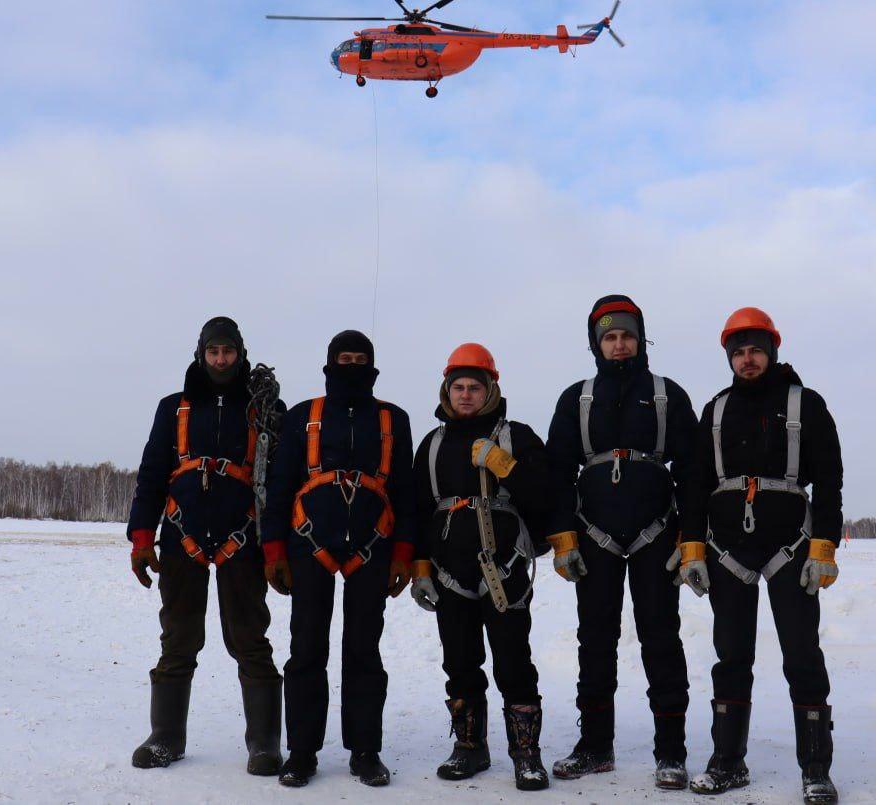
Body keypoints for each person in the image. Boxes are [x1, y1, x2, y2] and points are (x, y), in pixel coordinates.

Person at [678, 307, 843, 804]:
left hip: (791, 547)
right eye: (739, 352)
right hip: (727, 549)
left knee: (802, 654)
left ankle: (816, 768)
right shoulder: (716, 410)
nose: (747, 360)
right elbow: (693, 483)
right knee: (731, 655)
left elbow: (830, 478)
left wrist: (825, 545)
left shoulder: (805, 404)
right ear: (729, 357)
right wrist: (691, 547)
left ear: (772, 351)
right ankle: (728, 761)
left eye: (755, 351)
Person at [545, 295, 698, 789]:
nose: (618, 344)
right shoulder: (577, 398)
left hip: (656, 534)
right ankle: (595, 746)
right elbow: (555, 473)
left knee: (661, 639)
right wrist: (563, 535)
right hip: (594, 536)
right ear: (596, 343)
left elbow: (695, 473)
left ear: (640, 339)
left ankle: (670, 752)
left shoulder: (666, 394)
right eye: (608, 337)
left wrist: (691, 540)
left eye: (626, 335)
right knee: (595, 640)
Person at [126, 316, 285, 775]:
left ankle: (263, 743)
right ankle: (166, 738)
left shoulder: (264, 411)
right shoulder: (173, 408)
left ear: (240, 354)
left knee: (251, 641)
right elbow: (152, 476)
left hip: (244, 540)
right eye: (213, 351)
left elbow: (278, 483)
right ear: (201, 354)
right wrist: (141, 539)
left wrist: (275, 550)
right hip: (182, 538)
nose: (221, 359)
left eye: (228, 351)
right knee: (178, 640)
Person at [260, 331, 416, 788]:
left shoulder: (393, 419)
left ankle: (365, 751)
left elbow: (406, 492)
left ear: (372, 366)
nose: (351, 366)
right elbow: (279, 485)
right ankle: (302, 752)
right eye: (343, 359)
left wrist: (404, 553)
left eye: (359, 359)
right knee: (306, 649)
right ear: (329, 365)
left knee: (364, 651)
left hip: (373, 548)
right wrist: (273, 550)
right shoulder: (302, 417)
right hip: (309, 547)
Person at [410, 343, 560, 791]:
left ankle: (526, 754)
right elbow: (417, 508)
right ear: (446, 390)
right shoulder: (433, 445)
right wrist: (419, 566)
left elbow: (547, 495)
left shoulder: (517, 437)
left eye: (475, 387)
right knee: (459, 660)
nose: (466, 394)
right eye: (459, 387)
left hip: (505, 571)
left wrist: (505, 466)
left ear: (491, 389)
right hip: (448, 572)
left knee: (514, 660)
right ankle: (470, 746)